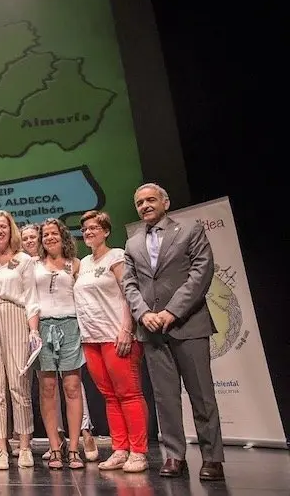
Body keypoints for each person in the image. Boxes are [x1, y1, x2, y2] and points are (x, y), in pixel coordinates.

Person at [123, 183, 224, 481]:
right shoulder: (132, 244)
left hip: (187, 325)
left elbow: (201, 273)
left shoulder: (190, 230)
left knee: (202, 395)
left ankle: (212, 458)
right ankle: (174, 456)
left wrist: (171, 312)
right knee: (165, 397)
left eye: (150, 200)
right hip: (152, 331)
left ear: (165, 202)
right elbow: (129, 285)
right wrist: (143, 313)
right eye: (139, 202)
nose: (145, 206)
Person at [75, 211, 149, 473]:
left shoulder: (116, 255)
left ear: (106, 231)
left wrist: (127, 329)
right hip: (91, 338)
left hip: (115, 335)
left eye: (94, 228)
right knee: (109, 396)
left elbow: (129, 292)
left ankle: (138, 452)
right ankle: (120, 449)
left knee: (128, 394)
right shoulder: (83, 263)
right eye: (85, 229)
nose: (89, 232)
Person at [0, 210, 39, 470]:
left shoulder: (23, 260)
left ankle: (25, 446)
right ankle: (1, 448)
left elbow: (31, 298)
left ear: (10, 229)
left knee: (18, 384)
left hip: (16, 316)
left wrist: (33, 331)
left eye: (3, 226)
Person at [34, 218, 87, 469]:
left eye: (54, 233)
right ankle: (55, 447)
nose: (50, 238)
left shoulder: (74, 264)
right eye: (45, 235)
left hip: (70, 325)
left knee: (72, 386)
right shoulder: (33, 265)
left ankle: (74, 448)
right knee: (47, 388)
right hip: (43, 326)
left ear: (62, 236)